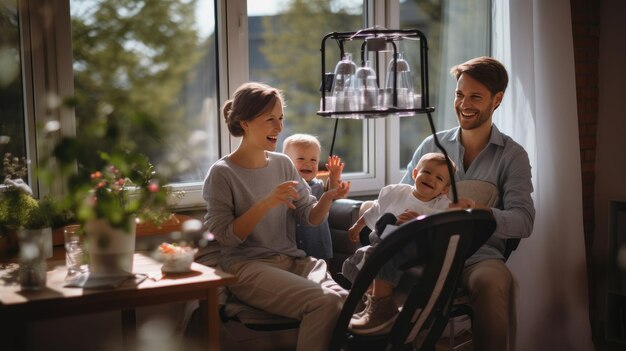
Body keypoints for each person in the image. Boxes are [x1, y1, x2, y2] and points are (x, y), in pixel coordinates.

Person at [203, 82, 351, 351]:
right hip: (247, 267)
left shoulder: (283, 164)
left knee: (350, 302)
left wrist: (328, 197)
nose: (279, 128)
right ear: (245, 123)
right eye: (270, 119)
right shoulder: (222, 173)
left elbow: (309, 217)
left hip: (294, 261)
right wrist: (266, 202)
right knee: (325, 302)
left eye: (281, 118)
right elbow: (224, 236)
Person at [400, 56, 535, 351]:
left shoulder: (512, 156)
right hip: (428, 252)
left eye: (475, 96)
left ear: (496, 100)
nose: (464, 104)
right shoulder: (431, 145)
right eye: (460, 94)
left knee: (493, 283)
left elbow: (524, 221)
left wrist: (480, 213)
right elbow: (401, 197)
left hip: (480, 259)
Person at [341, 152, 473, 334]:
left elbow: (443, 234)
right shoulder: (397, 192)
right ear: (415, 173)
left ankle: (381, 307)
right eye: (426, 172)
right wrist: (357, 225)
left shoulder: (441, 206)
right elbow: (374, 210)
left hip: (417, 248)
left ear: (444, 189)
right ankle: (371, 296)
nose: (430, 179)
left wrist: (421, 221)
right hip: (385, 238)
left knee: (386, 251)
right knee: (362, 255)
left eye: (439, 178)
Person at [283, 133, 344, 260]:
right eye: (301, 159)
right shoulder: (284, 186)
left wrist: (334, 177)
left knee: (322, 274)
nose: (308, 164)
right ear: (286, 163)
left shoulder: (318, 185)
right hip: (291, 247)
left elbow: (333, 193)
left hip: (317, 243)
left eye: (313, 160)